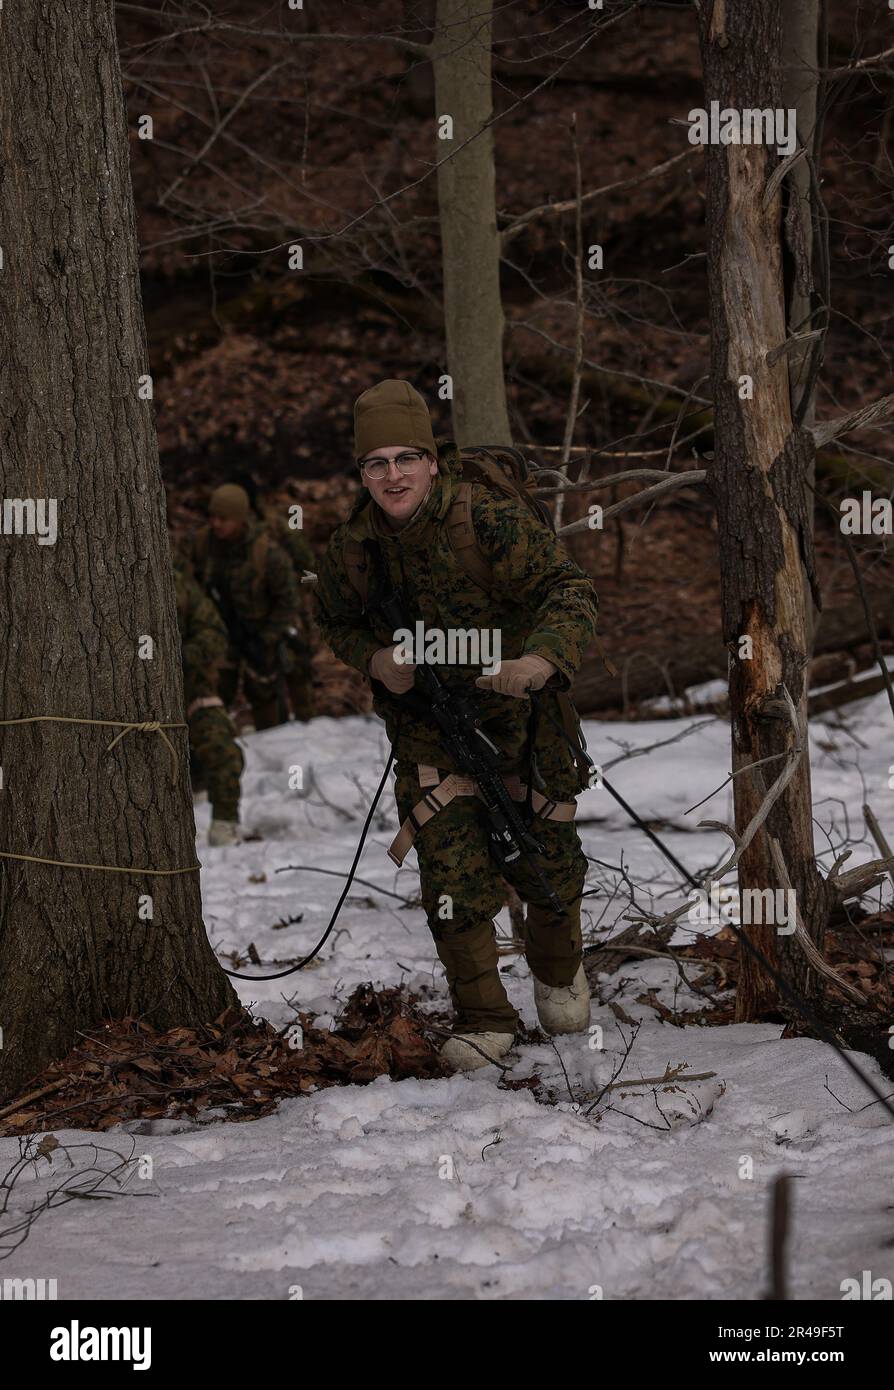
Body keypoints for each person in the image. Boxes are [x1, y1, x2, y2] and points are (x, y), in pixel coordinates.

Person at [315, 379, 599, 1072]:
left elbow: (568, 590)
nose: (393, 476)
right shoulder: (354, 550)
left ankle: (558, 975)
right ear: (362, 473)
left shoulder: (485, 521)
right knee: (450, 874)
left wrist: (539, 661)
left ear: (432, 461)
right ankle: (484, 1016)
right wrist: (376, 660)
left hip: (525, 720)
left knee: (549, 860)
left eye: (406, 458)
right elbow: (336, 622)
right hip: (429, 730)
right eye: (376, 464)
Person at [189, 484, 300, 730]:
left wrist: (267, 638)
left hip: (258, 636)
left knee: (265, 696)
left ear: (240, 518)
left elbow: (288, 601)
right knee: (212, 694)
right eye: (212, 516)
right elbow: (187, 585)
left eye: (223, 519)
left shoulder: (267, 553)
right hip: (215, 634)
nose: (216, 524)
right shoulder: (201, 544)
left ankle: (275, 743)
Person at [174, 561, 244, 847]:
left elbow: (214, 633)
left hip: (189, 689)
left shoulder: (177, 584)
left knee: (225, 751)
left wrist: (181, 656)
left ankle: (224, 828)